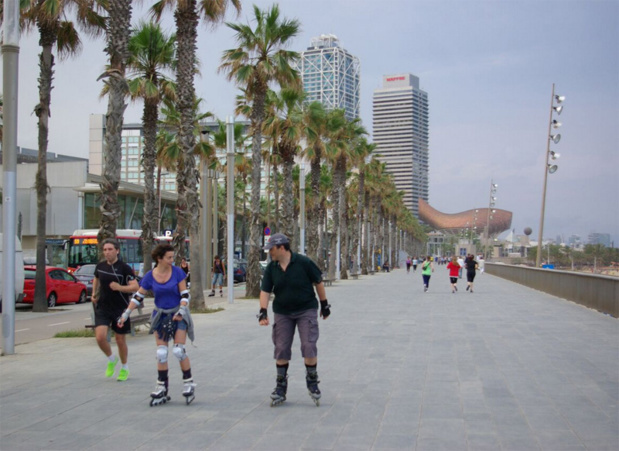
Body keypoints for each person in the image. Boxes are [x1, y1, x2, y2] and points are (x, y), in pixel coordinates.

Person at [118, 244, 196, 406]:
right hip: (160, 315)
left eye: (172, 257)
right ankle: (162, 387)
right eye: (168, 257)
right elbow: (138, 296)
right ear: (159, 258)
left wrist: (182, 309)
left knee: (178, 350)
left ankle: (188, 383)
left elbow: (185, 294)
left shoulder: (177, 272)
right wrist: (126, 314)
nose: (171, 260)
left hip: (178, 314)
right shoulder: (149, 276)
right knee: (161, 352)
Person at [258, 233, 331, 407]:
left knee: (308, 344)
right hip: (283, 312)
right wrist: (262, 311)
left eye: (272, 249)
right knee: (281, 347)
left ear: (282, 247)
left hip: (306, 309)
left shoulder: (303, 262)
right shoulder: (271, 268)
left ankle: (312, 381)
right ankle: (280, 386)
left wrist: (325, 305)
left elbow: (318, 281)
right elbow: (265, 291)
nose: (270, 253)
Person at [92, 238, 139, 381]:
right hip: (103, 307)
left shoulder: (124, 268)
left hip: (120, 309)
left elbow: (135, 287)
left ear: (117, 250)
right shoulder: (100, 266)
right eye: (105, 250)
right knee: (100, 337)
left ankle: (124, 367)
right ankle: (112, 359)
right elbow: (96, 278)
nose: (107, 252)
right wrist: (94, 293)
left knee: (120, 339)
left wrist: (120, 288)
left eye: (110, 249)